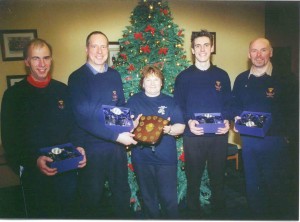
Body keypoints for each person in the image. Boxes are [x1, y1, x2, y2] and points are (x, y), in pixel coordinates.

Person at [1, 38, 86, 218]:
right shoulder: (13, 96)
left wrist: (79, 147)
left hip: (66, 171)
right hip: (35, 173)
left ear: (51, 60)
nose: (42, 64)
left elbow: (75, 126)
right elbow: (10, 140)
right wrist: (33, 160)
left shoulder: (62, 90)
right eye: (36, 59)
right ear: (26, 62)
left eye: (46, 58)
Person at [68, 31, 137, 219]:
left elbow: (120, 107)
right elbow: (84, 118)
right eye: (94, 46)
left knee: (121, 195)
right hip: (91, 149)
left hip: (116, 149)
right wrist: (117, 136)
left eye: (104, 46)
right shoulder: (77, 78)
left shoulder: (114, 75)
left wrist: (131, 124)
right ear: (86, 49)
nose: (100, 51)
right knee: (91, 199)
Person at [232, 37, 293, 219]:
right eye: (254, 51)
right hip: (249, 142)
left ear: (271, 52)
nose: (259, 55)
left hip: (274, 142)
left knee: (276, 186)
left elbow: (293, 111)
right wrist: (235, 117)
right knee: (252, 185)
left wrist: (287, 137)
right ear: (249, 54)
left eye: (263, 50)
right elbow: (234, 105)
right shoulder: (241, 79)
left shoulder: (285, 78)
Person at [173, 29, 231, 219]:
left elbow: (228, 104)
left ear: (212, 47)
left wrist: (227, 121)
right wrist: (188, 121)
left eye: (206, 45)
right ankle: (193, 214)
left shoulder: (222, 76)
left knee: (218, 180)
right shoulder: (183, 77)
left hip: (218, 137)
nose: (202, 49)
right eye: (198, 46)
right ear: (192, 49)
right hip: (193, 137)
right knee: (193, 180)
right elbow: (178, 106)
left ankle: (220, 213)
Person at [126, 65, 185, 219]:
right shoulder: (134, 101)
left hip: (166, 158)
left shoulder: (170, 102)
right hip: (141, 158)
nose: (152, 83)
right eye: (148, 79)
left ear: (161, 83)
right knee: (148, 199)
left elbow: (181, 126)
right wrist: (133, 125)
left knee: (168, 199)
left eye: (156, 79)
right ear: (143, 83)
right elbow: (124, 127)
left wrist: (169, 129)